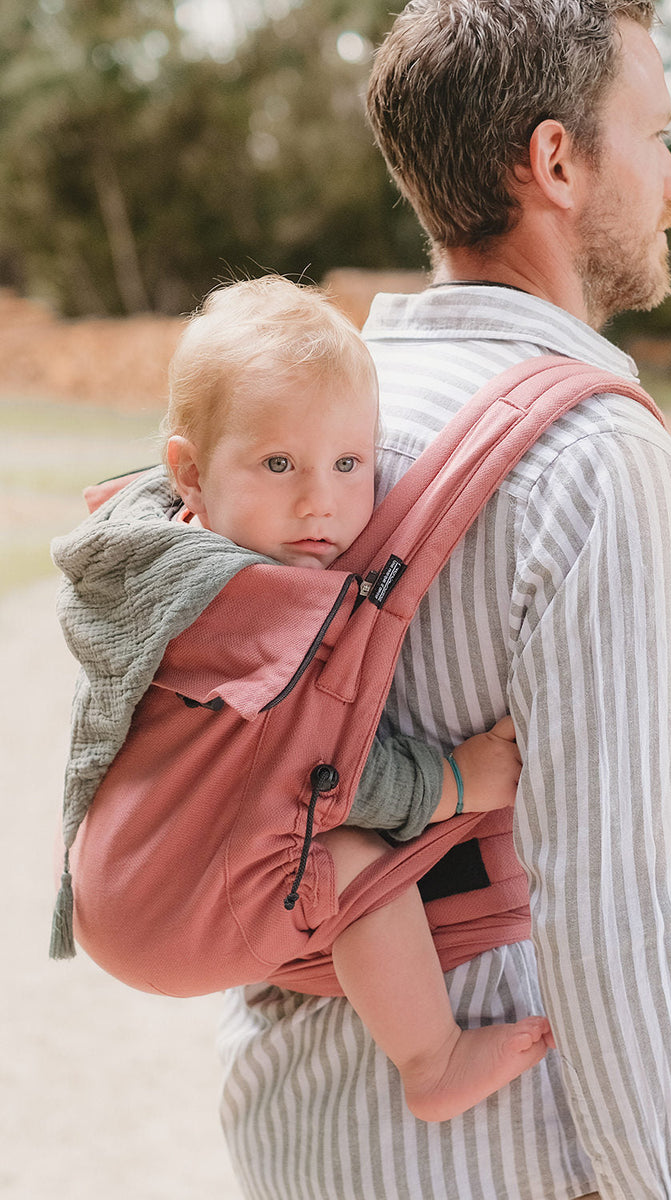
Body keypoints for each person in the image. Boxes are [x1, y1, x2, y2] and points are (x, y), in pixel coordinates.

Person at [217, 3, 671, 1199]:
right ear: (554, 161)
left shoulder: (317, 414)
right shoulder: (588, 453)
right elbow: (611, 911)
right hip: (509, 1145)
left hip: (298, 1116)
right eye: (654, 135)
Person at [56, 273, 551, 1122]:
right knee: (360, 870)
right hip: (172, 917)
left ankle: (292, 951)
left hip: (124, 880)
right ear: (191, 471)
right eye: (278, 463)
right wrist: (457, 784)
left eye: (350, 463)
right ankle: (431, 1060)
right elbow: (320, 777)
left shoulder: (156, 554)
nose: (320, 500)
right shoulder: (250, 610)